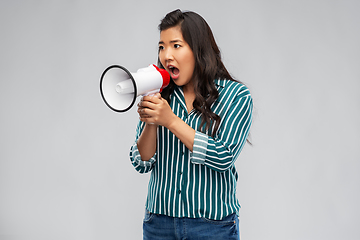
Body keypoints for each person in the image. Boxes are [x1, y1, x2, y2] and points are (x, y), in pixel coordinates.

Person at [129, 9, 253, 240]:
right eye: (161, 46)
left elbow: (223, 156)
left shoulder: (236, 95)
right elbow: (142, 162)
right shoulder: (160, 94)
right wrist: (152, 122)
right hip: (158, 223)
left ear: (199, 49)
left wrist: (171, 120)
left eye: (176, 45)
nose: (166, 55)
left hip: (212, 226)